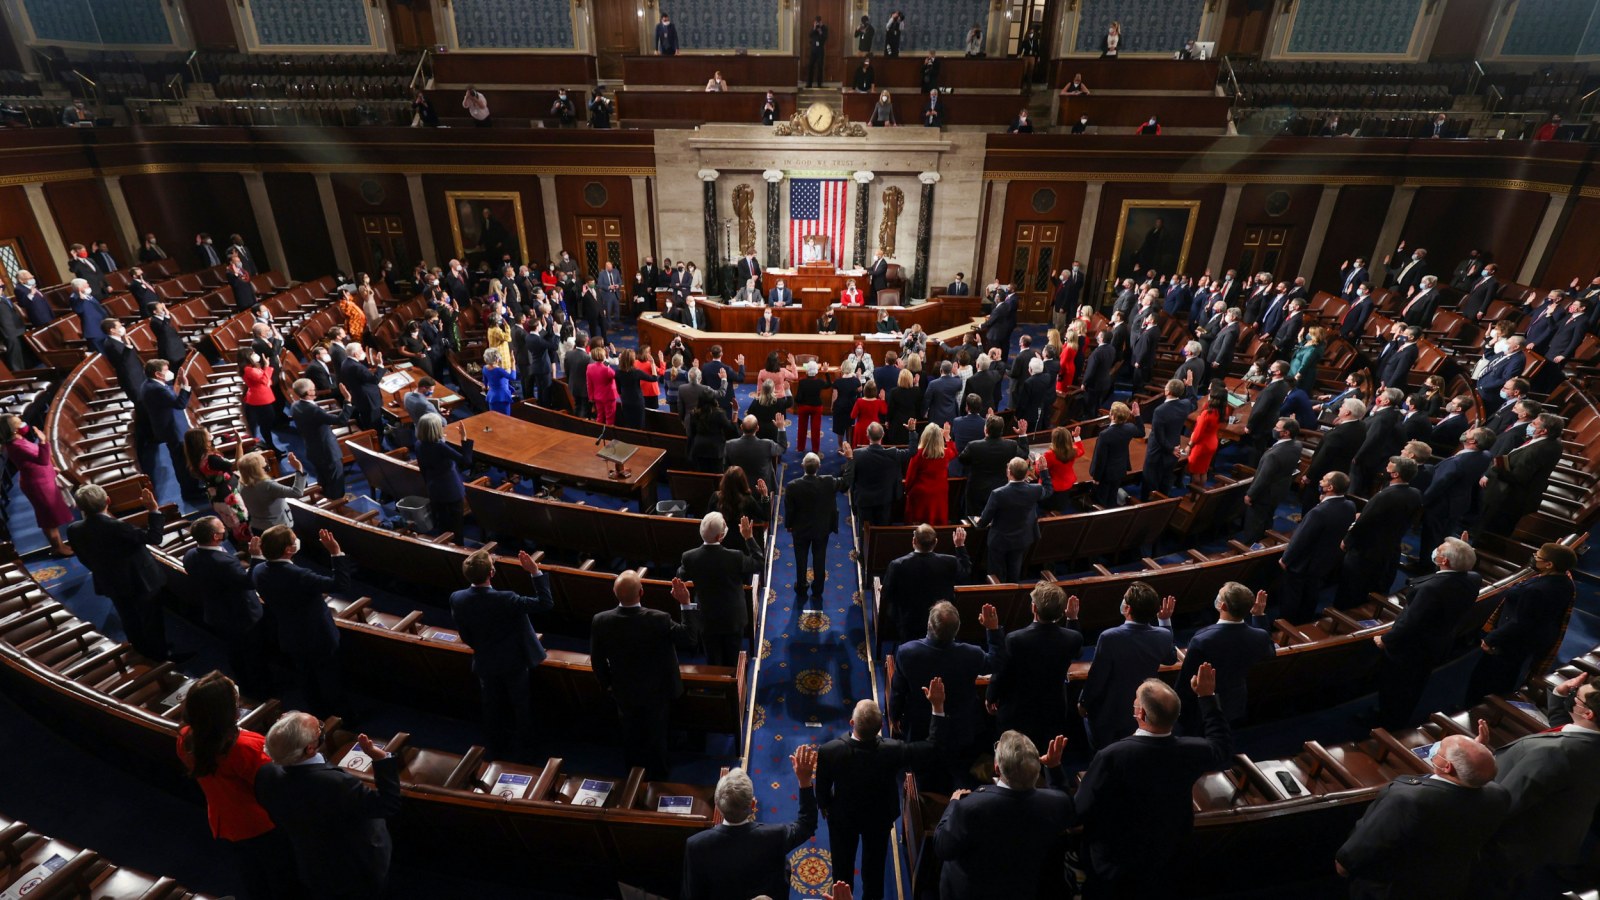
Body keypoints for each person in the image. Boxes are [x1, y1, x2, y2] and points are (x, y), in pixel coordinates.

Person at [1076, 664, 1232, 896]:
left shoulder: (1112, 756)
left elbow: (1080, 808)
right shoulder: (1192, 750)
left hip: (1116, 862)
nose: (1133, 703)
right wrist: (1207, 696)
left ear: (1140, 714)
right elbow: (1221, 748)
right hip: (1168, 853)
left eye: (1135, 701)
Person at [1336, 732, 1508, 897]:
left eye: (1440, 748)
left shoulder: (1408, 800)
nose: (1435, 748)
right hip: (1447, 885)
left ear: (1447, 767)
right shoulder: (1499, 795)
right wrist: (1474, 759)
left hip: (1393, 890)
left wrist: (1344, 864)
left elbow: (1365, 846)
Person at [818, 680, 946, 900]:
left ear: (852, 722)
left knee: (841, 871)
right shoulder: (894, 750)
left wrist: (827, 808)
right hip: (878, 818)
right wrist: (937, 706)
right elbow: (933, 748)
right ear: (880, 728)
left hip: (843, 819)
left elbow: (822, 788)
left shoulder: (830, 751)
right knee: (874, 870)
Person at [177, 673, 300, 899]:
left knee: (252, 873)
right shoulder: (246, 747)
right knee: (283, 877)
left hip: (225, 819)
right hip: (262, 824)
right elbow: (279, 783)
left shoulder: (186, 738)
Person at [1477, 671, 1600, 896]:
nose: (1571, 696)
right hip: (1558, 841)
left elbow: (1504, 804)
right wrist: (1558, 696)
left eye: (1576, 695)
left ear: (1588, 712)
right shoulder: (1589, 741)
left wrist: (1476, 767)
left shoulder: (1553, 755)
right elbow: (1573, 735)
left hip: (1510, 853)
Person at [255, 713, 402, 900]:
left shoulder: (265, 774)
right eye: (319, 730)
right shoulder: (335, 783)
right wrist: (381, 759)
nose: (322, 730)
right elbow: (388, 804)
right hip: (356, 868)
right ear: (310, 749)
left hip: (312, 863)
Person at [932, 730, 1077, 900]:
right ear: (1037, 769)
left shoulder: (970, 807)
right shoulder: (1055, 804)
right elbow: (1064, 802)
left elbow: (941, 846)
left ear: (996, 768)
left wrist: (954, 803)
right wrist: (1054, 767)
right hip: (1026, 889)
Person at [449, 548, 551, 761]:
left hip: (485, 661)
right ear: (492, 573)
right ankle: (528, 751)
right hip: (513, 663)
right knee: (521, 706)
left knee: (491, 707)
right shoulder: (507, 599)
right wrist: (535, 572)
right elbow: (545, 603)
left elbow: (465, 634)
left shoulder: (457, 598)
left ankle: (497, 748)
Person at [890, 600, 1004, 790]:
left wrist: (894, 715)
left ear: (929, 625)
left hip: (921, 725)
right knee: (958, 767)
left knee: (924, 766)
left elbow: (898, 691)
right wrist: (992, 629)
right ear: (956, 630)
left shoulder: (907, 652)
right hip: (961, 726)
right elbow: (997, 662)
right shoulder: (972, 654)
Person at [681, 748, 818, 900]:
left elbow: (692, 894)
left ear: (717, 806)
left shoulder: (695, 845)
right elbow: (807, 824)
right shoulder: (775, 836)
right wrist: (805, 782)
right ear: (753, 805)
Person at [1374, 537, 1481, 728]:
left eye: (1439, 550)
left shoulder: (1431, 590)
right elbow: (1448, 578)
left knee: (1397, 686)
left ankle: (1388, 723)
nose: (1436, 551)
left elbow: (1410, 622)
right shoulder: (1473, 578)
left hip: (1412, 648)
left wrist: (1386, 639)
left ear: (1444, 561)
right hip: (1438, 642)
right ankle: (1397, 715)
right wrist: (1464, 551)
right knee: (1415, 684)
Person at [68, 484, 173, 660]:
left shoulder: (74, 529)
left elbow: (84, 558)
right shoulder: (116, 526)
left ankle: (141, 650)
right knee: (151, 619)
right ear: (108, 500)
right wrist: (153, 510)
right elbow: (154, 538)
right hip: (140, 582)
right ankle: (161, 656)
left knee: (129, 618)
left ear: (79, 507)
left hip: (111, 583)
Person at [1466, 541, 1576, 703]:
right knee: (1507, 675)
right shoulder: (1566, 582)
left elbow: (1520, 622)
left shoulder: (1536, 590)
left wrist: (1492, 638)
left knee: (1487, 678)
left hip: (1509, 643)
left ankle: (1476, 707)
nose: (1534, 557)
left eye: (1538, 556)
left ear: (1549, 564)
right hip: (1530, 641)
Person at [1080, 582, 1177, 748]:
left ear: (1128, 609)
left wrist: (1083, 702)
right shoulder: (1163, 634)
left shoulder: (1109, 637)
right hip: (1141, 710)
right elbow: (1171, 658)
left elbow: (1097, 677)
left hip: (1108, 714)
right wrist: (1165, 620)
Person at [987, 582, 1082, 752]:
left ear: (1033, 608)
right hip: (1053, 709)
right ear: (1062, 611)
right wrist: (1073, 619)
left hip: (1018, 711)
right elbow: (1076, 650)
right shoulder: (1073, 638)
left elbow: (1002, 672)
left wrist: (991, 696)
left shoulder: (1015, 639)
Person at [1337, 455, 1422, 609]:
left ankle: (1342, 610)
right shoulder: (1415, 493)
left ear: (1396, 474)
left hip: (1366, 549)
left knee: (1352, 583)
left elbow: (1364, 523)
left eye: (1389, 467)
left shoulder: (1384, 495)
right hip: (1390, 545)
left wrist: (1347, 540)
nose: (1385, 468)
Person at [678, 512, 763, 666]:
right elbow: (758, 562)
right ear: (720, 537)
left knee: (712, 661)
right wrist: (748, 537)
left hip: (707, 619)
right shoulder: (735, 557)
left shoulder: (689, 557)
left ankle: (716, 688)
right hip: (733, 619)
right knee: (732, 662)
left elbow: (680, 576)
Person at [0, 414, 74, 555]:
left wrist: (51, 470)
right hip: (38, 485)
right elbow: (42, 459)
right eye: (19, 422)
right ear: (13, 429)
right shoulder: (16, 446)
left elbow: (32, 460)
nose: (23, 423)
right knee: (48, 519)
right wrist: (43, 441)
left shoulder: (19, 440)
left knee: (52, 516)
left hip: (42, 479)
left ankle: (59, 546)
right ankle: (58, 548)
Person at [1480, 412, 1563, 536]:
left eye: (1534, 423)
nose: (1530, 425)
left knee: (1489, 532)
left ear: (1543, 431)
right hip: (1514, 496)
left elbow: (1518, 478)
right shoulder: (1554, 442)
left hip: (1508, 499)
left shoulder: (1536, 451)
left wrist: (1496, 467)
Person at [977, 456, 1053, 583]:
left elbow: (984, 520)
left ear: (1009, 472)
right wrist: (1044, 471)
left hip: (999, 541)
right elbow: (1049, 490)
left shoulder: (998, 493)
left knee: (996, 574)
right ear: (1026, 473)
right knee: (1014, 572)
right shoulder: (1035, 490)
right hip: (1021, 538)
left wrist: (979, 522)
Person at [784, 452, 845, 602]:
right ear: (819, 466)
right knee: (820, 557)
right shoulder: (828, 481)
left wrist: (789, 525)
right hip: (821, 528)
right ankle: (818, 589)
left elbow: (789, 510)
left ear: (802, 466)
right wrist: (850, 460)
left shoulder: (792, 486)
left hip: (800, 529)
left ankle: (801, 588)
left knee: (800, 559)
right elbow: (846, 482)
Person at [141, 359, 204, 500]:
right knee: (182, 461)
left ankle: (193, 487)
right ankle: (190, 492)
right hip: (172, 430)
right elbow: (180, 403)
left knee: (183, 458)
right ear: (158, 374)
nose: (169, 373)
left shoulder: (150, 384)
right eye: (166, 370)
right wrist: (185, 384)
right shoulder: (156, 389)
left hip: (171, 426)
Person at [289, 378, 352, 501]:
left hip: (313, 449)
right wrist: (347, 401)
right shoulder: (313, 410)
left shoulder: (295, 405)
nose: (315, 390)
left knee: (324, 479)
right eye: (313, 389)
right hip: (328, 451)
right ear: (308, 392)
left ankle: (327, 500)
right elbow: (341, 420)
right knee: (335, 482)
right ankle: (338, 504)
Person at [1240, 418, 1302, 543]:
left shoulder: (1273, 455)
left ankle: (1248, 550)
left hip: (1264, 494)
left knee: (1254, 524)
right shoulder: (1297, 445)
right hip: (1279, 490)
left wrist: (1250, 494)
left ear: (1286, 433)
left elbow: (1263, 478)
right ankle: (1264, 540)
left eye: (1277, 428)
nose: (1274, 429)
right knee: (1267, 518)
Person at [414, 414, 473, 543]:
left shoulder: (418, 444)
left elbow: (423, 469)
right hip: (451, 491)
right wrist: (464, 438)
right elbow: (466, 461)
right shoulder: (440, 447)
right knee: (456, 527)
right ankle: (458, 550)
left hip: (434, 488)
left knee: (442, 523)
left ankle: (444, 545)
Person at [186, 426, 248, 537]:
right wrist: (239, 444)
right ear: (202, 440)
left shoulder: (197, 457)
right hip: (228, 497)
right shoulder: (212, 459)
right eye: (207, 434)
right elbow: (238, 465)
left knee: (232, 525)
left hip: (216, 496)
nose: (210, 434)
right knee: (242, 524)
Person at [1144, 380, 1194, 498]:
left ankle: (1148, 504)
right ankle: (1164, 501)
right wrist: (1190, 385)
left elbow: (1158, 435)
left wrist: (1170, 448)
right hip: (1174, 449)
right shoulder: (1186, 405)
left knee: (1150, 481)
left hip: (1157, 452)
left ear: (1168, 391)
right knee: (1166, 479)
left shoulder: (1160, 410)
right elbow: (1193, 400)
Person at [1089, 401, 1141, 507]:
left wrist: (1096, 478)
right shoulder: (1130, 428)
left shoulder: (1105, 435)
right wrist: (1137, 416)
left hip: (1105, 474)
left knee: (1101, 500)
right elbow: (1142, 432)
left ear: (1111, 415)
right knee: (1112, 496)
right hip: (1120, 469)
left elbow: (1101, 459)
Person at [902, 422, 951, 526]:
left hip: (921, 494)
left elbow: (910, 477)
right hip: (939, 493)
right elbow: (954, 451)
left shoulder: (918, 454)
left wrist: (907, 490)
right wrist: (947, 437)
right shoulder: (945, 453)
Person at [725, 413, 782, 489]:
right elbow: (782, 448)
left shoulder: (729, 445)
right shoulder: (767, 444)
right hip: (762, 489)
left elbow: (726, 467)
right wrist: (781, 428)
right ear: (757, 428)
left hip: (738, 488)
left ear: (741, 427)